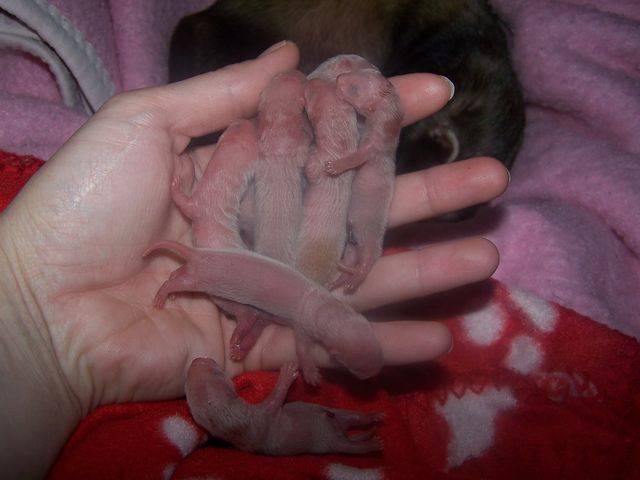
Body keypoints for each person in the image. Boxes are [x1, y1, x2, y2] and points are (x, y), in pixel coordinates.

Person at [0, 42, 508, 478]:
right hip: (263, 260)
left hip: (250, 260)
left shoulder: (267, 174)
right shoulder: (304, 162)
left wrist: (27, 315)